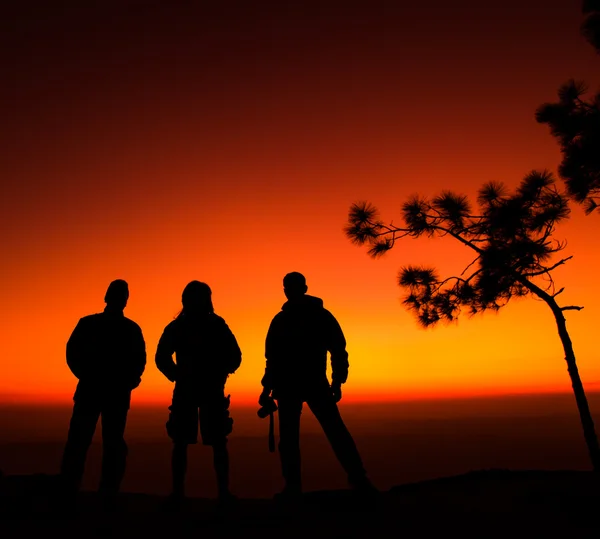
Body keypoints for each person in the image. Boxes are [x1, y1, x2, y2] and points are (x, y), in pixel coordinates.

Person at [259, 272, 376, 499]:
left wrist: (267, 387)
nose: (288, 291)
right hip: (310, 384)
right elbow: (338, 350)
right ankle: (358, 479)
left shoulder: (283, 320)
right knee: (333, 431)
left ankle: (294, 488)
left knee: (295, 438)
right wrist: (337, 381)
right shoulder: (319, 316)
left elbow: (272, 359)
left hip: (294, 386)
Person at [60, 279, 146, 508]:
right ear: (124, 300)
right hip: (114, 394)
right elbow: (139, 362)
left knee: (80, 442)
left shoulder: (88, 324)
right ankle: (107, 494)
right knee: (110, 443)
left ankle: (70, 492)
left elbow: (72, 354)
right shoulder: (130, 329)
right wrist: (128, 382)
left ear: (106, 297)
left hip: (92, 391)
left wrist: (87, 376)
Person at [156, 281, 242, 507]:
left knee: (183, 443)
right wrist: (221, 372)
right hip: (208, 389)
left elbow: (161, 357)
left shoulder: (179, 326)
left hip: (192, 390)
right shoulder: (215, 325)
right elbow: (235, 357)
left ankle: (179, 494)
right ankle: (221, 494)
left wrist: (176, 375)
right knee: (214, 442)